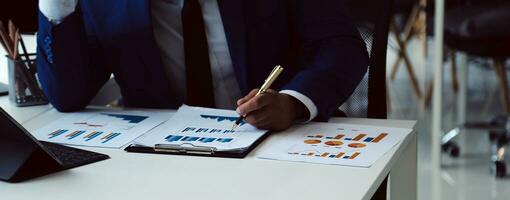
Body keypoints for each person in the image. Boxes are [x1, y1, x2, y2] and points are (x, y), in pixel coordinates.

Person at [37, 0, 368, 131]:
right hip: (160, 163)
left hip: (281, 145)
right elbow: (68, 95)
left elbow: (340, 45)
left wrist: (294, 102)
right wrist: (57, 7)